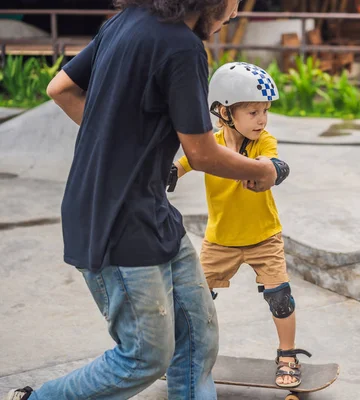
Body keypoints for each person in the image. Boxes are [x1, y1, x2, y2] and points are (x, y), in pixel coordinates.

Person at [5, 0, 285, 399]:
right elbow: (202, 152)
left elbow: (60, 88)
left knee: (197, 339)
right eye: (234, 3)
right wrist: (264, 170)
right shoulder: (183, 47)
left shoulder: (125, 22)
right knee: (144, 357)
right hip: (116, 222)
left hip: (149, 210)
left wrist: (121, 138)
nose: (235, 13)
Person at [173, 62, 310, 388]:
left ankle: (287, 355)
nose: (262, 119)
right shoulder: (209, 145)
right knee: (196, 299)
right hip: (220, 239)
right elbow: (186, 162)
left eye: (265, 111)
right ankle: (183, 354)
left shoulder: (264, 142)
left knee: (280, 297)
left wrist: (269, 169)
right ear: (224, 111)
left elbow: (272, 163)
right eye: (253, 112)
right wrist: (168, 174)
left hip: (264, 237)